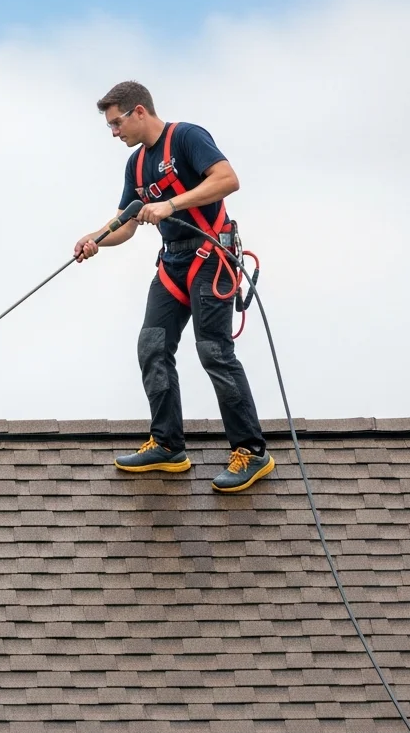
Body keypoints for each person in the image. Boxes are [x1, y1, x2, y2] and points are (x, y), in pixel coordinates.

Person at [74, 80, 275, 493]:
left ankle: (251, 451)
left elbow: (227, 179)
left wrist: (171, 204)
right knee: (151, 346)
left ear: (139, 112)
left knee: (214, 352)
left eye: (116, 123)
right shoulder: (135, 165)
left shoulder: (186, 137)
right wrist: (94, 238)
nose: (114, 133)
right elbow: (126, 225)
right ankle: (167, 446)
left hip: (211, 256)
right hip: (172, 264)